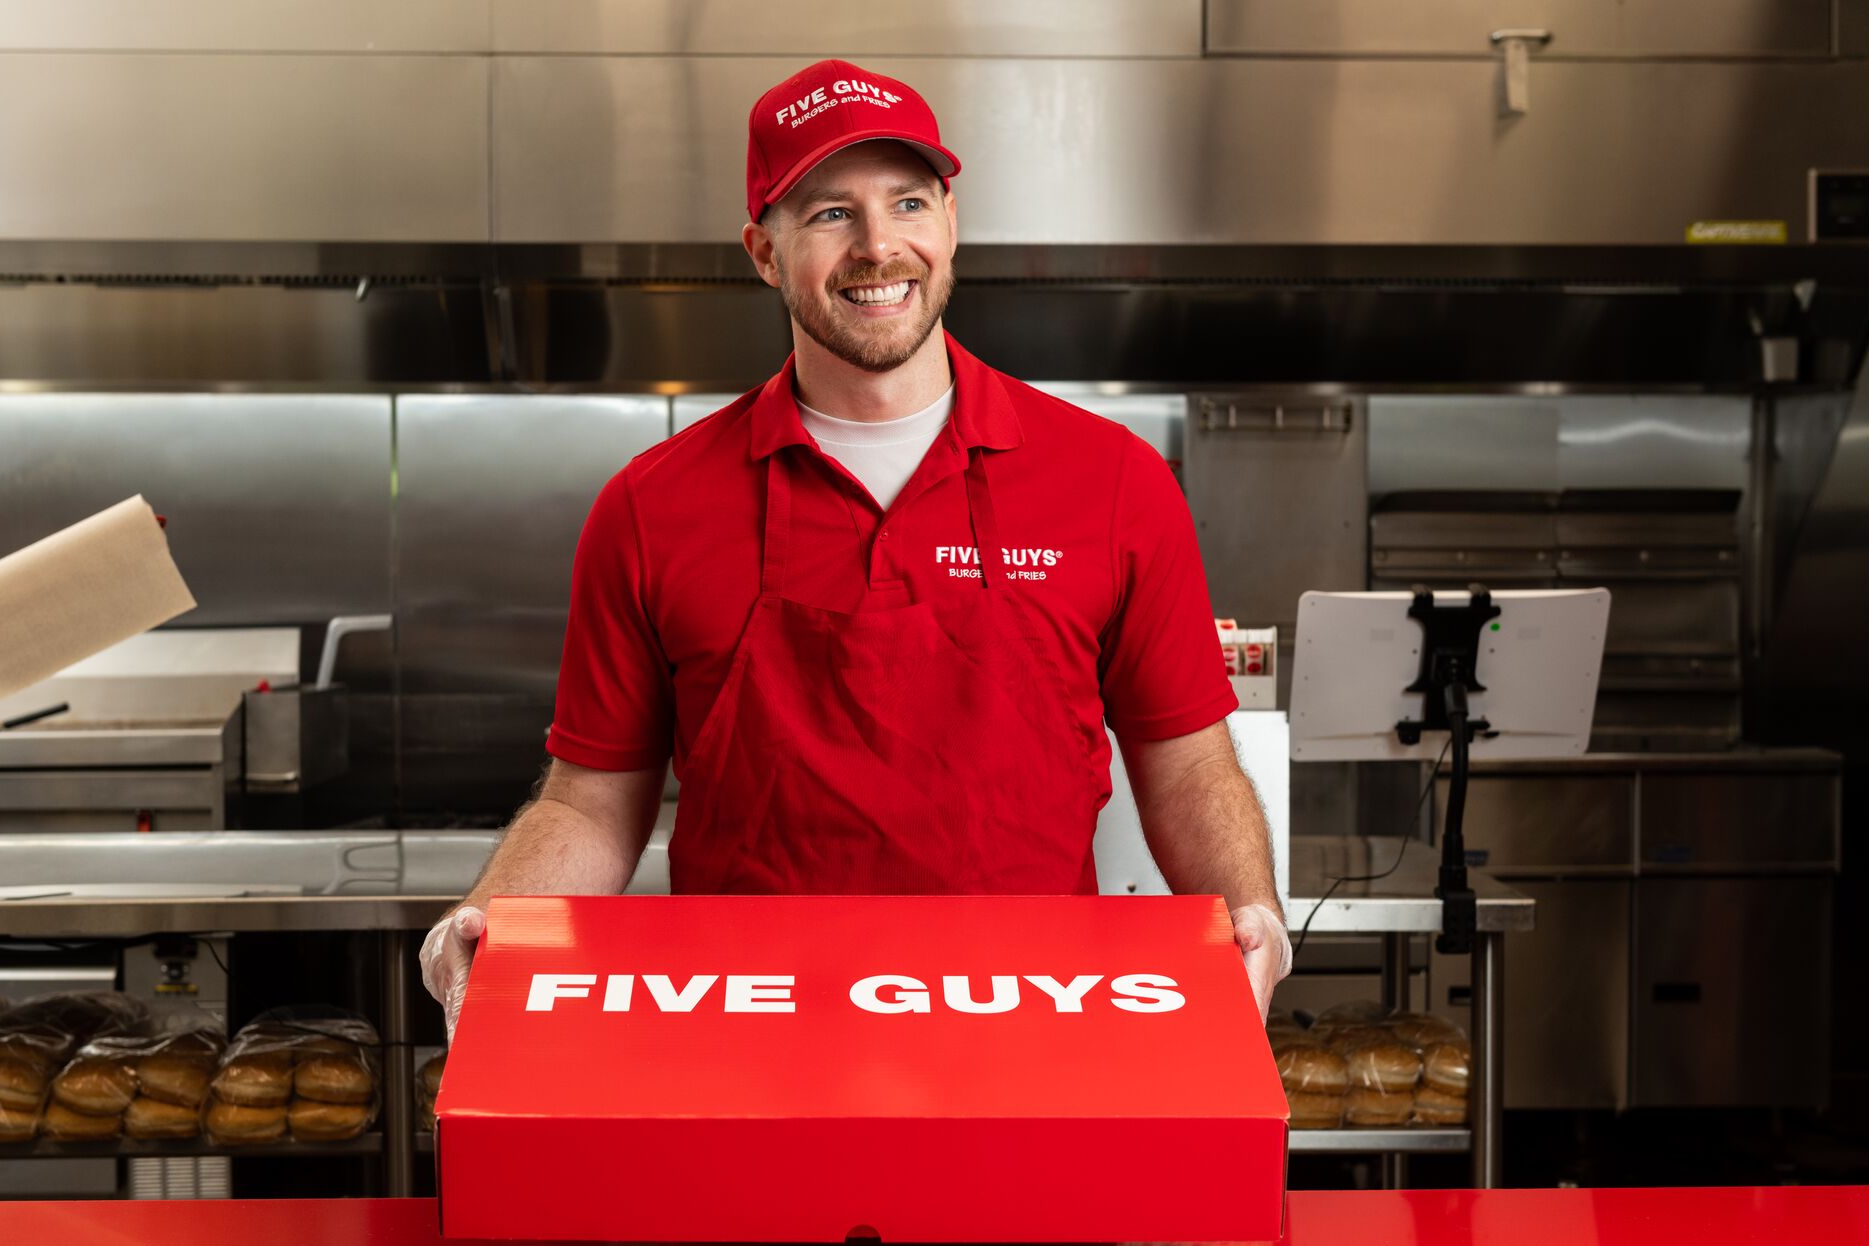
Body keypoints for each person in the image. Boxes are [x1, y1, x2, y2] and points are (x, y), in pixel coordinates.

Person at [422, 58, 1289, 1041]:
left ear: (949, 222)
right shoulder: (651, 508)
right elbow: (592, 803)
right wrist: (490, 918)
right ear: (761, 249)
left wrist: (1251, 914)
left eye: (907, 202)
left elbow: (1184, 766)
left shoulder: (1112, 481)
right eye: (830, 213)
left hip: (1033, 1034)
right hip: (749, 1041)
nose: (879, 247)